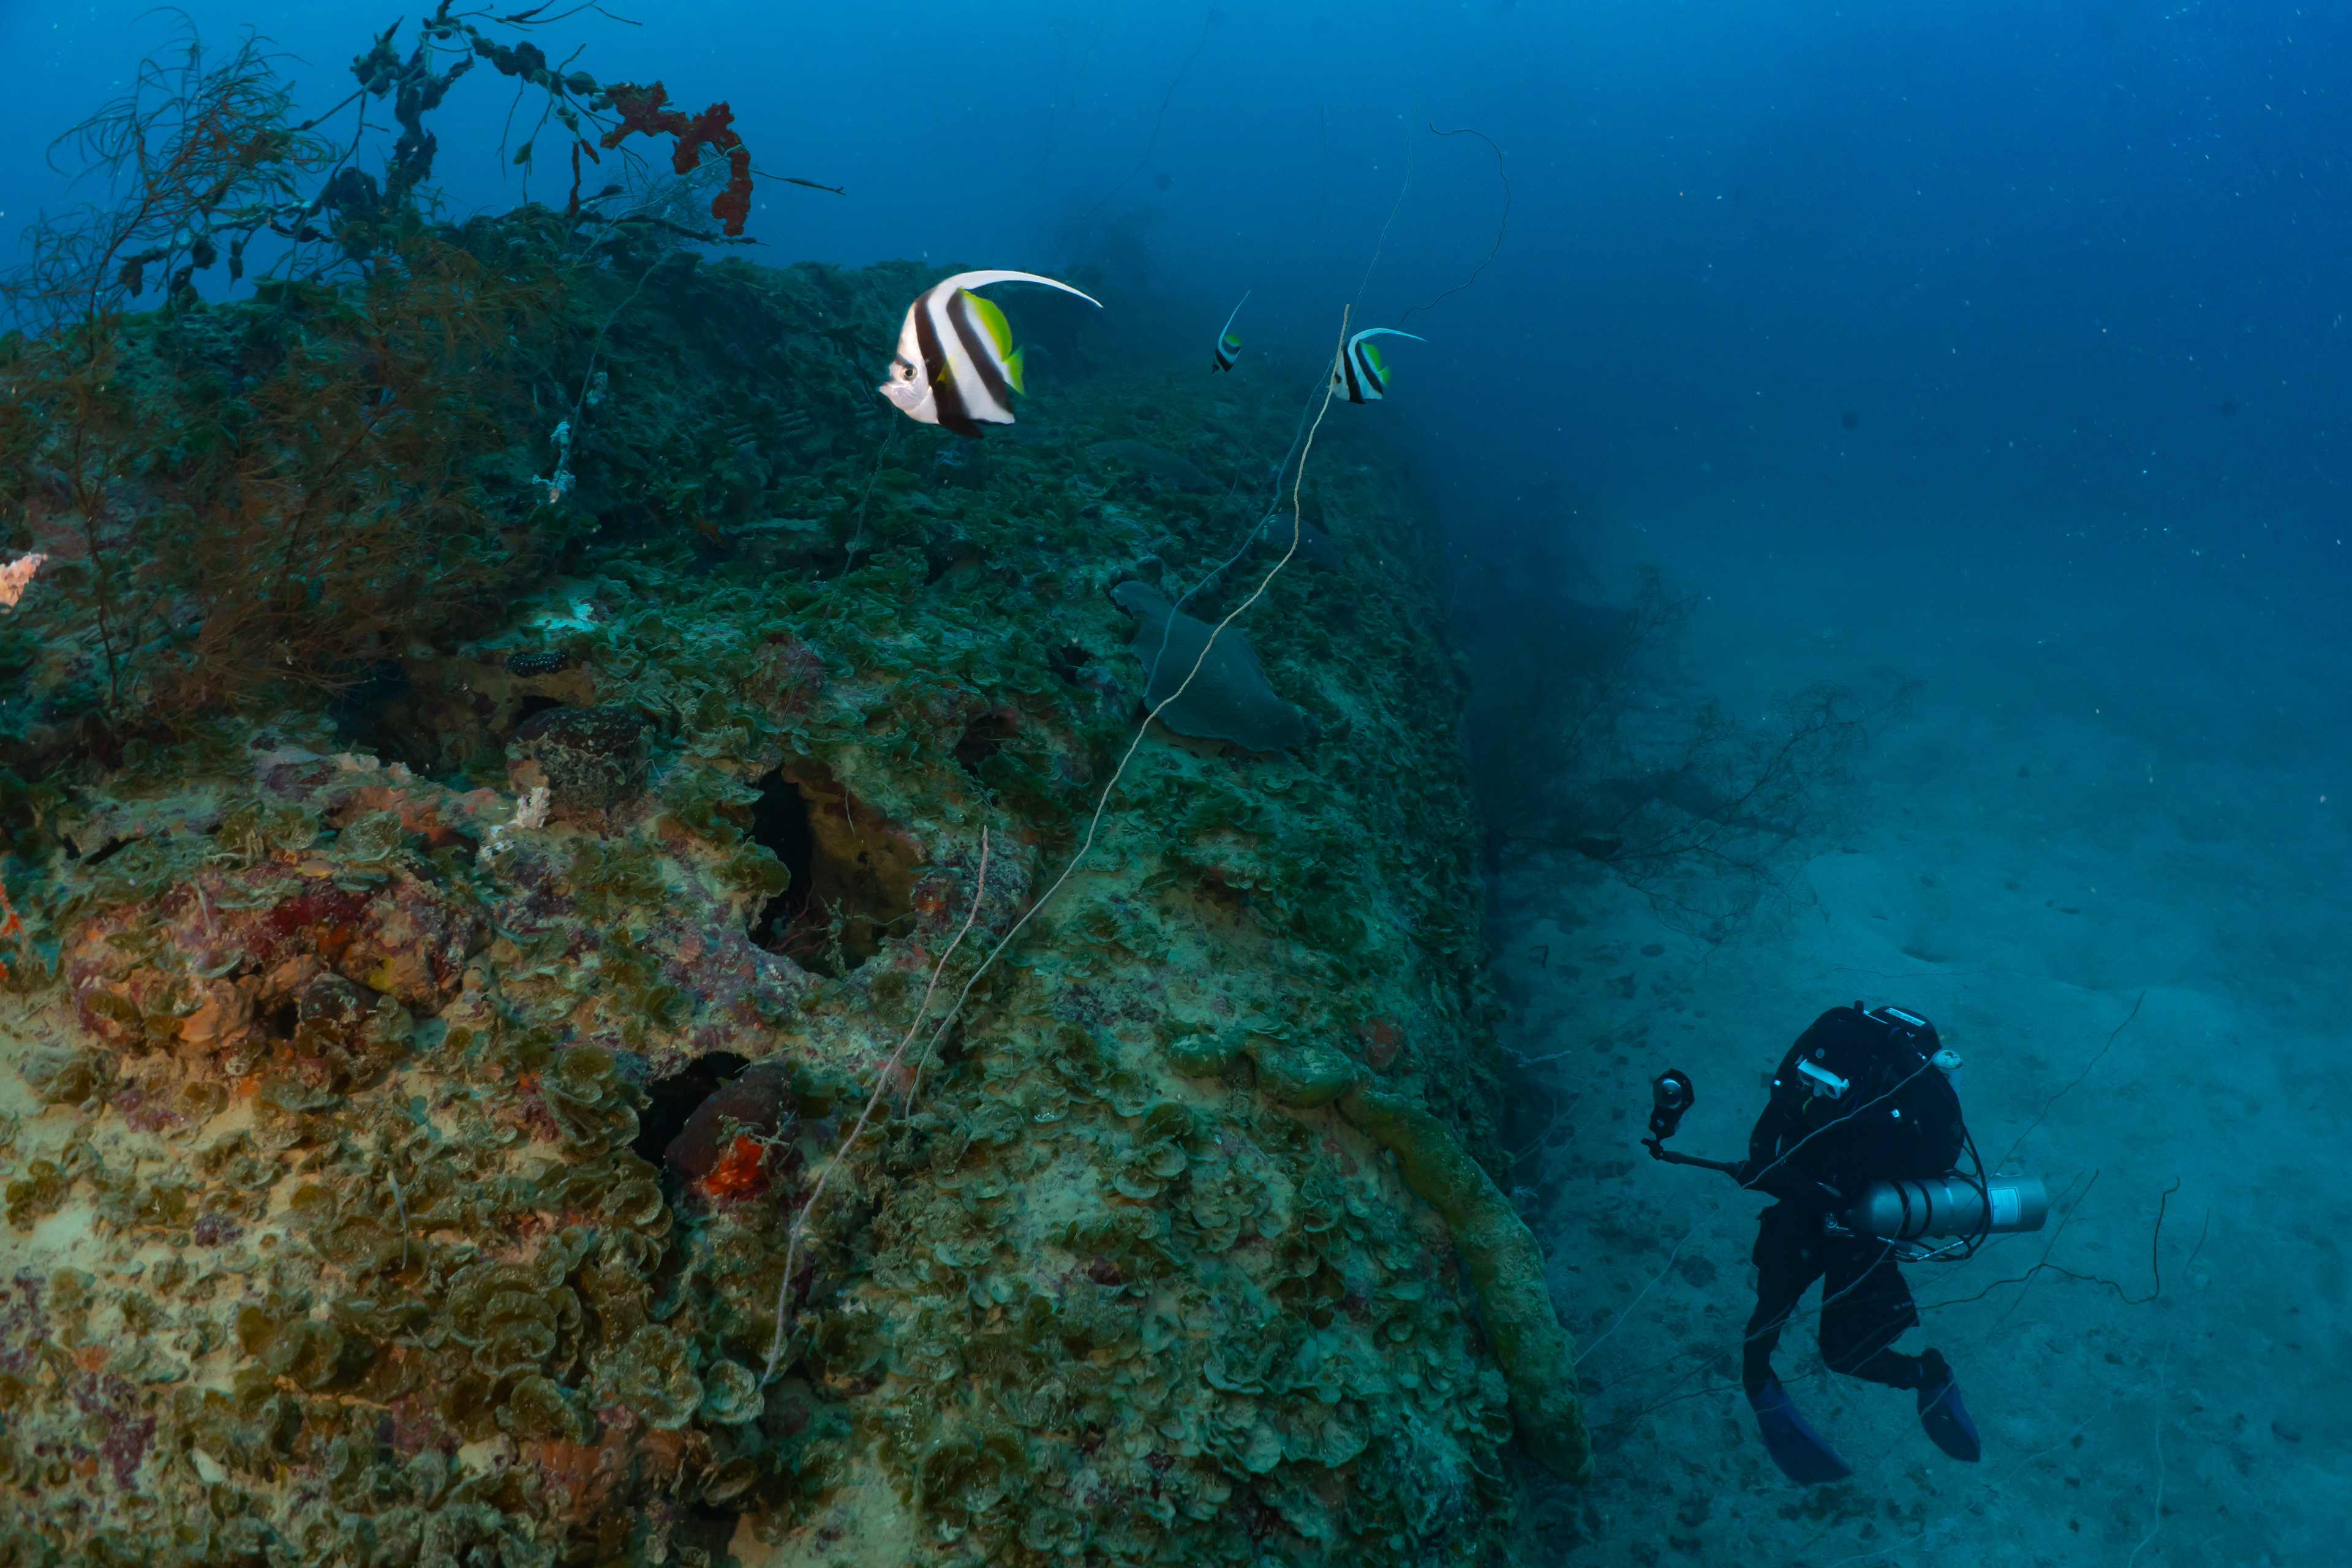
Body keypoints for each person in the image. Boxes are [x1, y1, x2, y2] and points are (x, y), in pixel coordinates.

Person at [1734, 1002, 1984, 1484]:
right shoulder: (1804, 1088)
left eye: (1828, 1087)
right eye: (1811, 1080)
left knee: (1847, 1354)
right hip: (1803, 1218)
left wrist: (1798, 1181)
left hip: (1861, 1239)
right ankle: (1759, 1386)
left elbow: (1926, 1164)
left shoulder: (1905, 1114)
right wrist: (1780, 1174)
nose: (1815, 1094)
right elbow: (1765, 1146)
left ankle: (1929, 1376)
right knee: (1762, 1323)